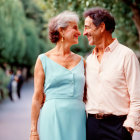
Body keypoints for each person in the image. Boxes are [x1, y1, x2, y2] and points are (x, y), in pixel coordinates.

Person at [83, 7, 140, 140]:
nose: (84, 32)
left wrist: (128, 127)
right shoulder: (89, 60)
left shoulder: (126, 55)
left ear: (101, 27)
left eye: (87, 27)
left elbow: (137, 96)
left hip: (118, 127)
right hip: (92, 125)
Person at [30, 11, 86, 140]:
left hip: (78, 119)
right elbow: (37, 96)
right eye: (75, 28)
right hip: (52, 116)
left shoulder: (82, 61)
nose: (79, 32)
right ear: (61, 31)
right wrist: (33, 130)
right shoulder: (43, 59)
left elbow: (88, 93)